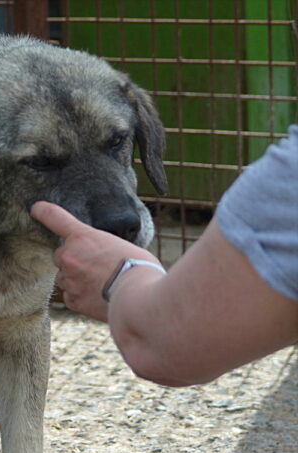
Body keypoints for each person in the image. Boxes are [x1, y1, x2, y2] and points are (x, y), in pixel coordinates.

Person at [31, 124, 298, 387]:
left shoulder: (287, 177)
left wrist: (121, 277)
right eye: (42, 162)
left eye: (116, 143)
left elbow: (170, 349)